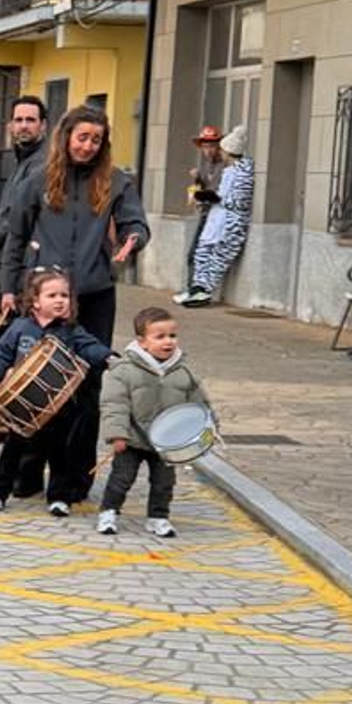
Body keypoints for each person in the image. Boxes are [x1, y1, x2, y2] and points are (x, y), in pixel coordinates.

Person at [0, 105, 147, 499]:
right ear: (66, 137)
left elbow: (135, 223)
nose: (88, 145)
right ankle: (26, 475)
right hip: (43, 296)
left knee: (86, 388)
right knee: (35, 383)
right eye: (82, 137)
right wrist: (9, 288)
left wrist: (133, 239)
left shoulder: (116, 181)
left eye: (96, 140)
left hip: (94, 296)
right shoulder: (38, 179)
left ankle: (74, 480)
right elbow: (15, 236)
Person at [0, 268, 112, 517]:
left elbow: (90, 347)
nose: (60, 300)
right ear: (35, 302)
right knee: (12, 451)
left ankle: (59, 497)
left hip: (58, 405)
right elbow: (2, 355)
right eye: (52, 295)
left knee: (60, 452)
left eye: (65, 295)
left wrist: (108, 357)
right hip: (23, 406)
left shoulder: (71, 330)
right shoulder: (19, 327)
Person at [98, 307, 215, 540]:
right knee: (122, 479)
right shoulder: (123, 371)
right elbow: (114, 404)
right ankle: (109, 511)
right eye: (159, 336)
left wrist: (208, 431)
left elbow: (199, 406)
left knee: (164, 483)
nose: (168, 342)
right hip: (132, 438)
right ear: (141, 342)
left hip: (168, 443)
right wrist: (117, 435)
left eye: (172, 335)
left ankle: (158, 517)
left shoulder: (184, 372)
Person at [180, 129, 252, 306]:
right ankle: (197, 289)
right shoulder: (230, 170)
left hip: (228, 224)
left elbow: (236, 201)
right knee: (201, 254)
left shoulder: (241, 172)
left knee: (217, 258)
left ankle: (203, 291)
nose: (218, 152)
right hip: (216, 218)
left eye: (220, 148)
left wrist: (204, 197)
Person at [0, 93, 49, 268]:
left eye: (30, 120)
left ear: (43, 125)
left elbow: (22, 215)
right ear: (10, 126)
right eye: (18, 120)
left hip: (31, 262)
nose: (24, 126)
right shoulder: (22, 159)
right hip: (14, 256)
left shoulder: (42, 163)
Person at [182, 125, 224, 292]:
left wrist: (200, 195)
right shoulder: (206, 165)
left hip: (215, 215)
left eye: (212, 146)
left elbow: (217, 193)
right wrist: (198, 179)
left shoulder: (223, 166)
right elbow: (205, 187)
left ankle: (195, 290)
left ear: (219, 146)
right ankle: (193, 289)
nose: (208, 151)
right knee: (196, 254)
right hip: (206, 213)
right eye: (205, 147)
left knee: (197, 254)